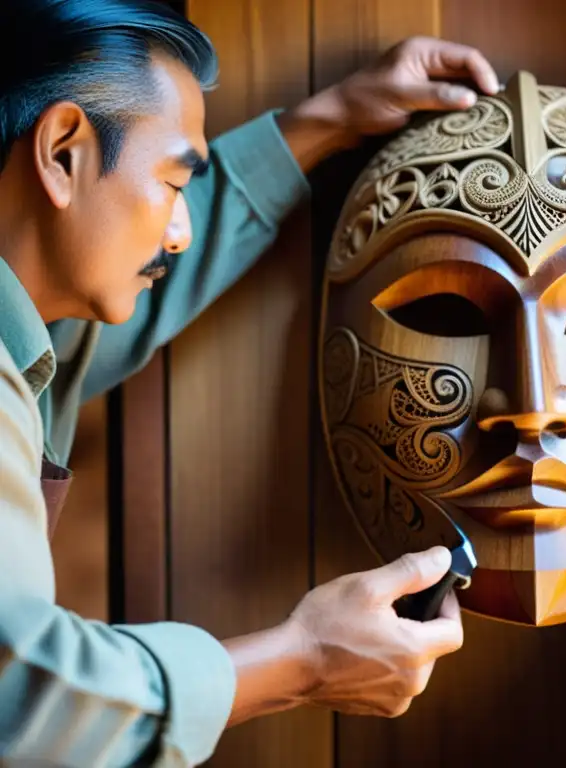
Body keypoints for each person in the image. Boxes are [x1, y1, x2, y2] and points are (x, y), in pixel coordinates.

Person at [0, 1, 500, 765]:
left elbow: (152, 276)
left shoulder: (40, 325)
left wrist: (332, 118)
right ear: (63, 152)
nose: (180, 229)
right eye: (172, 183)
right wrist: (301, 661)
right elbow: (20, 694)